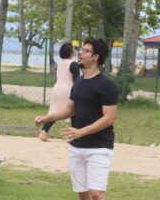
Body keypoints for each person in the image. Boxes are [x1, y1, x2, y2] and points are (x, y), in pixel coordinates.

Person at [35, 39, 118, 200]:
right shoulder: (78, 83)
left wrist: (81, 132)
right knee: (83, 195)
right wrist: (46, 118)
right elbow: (69, 110)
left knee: (96, 194)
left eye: (86, 51)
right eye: (81, 50)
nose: (80, 53)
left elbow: (110, 118)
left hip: (99, 147)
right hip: (76, 147)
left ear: (96, 57)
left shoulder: (107, 85)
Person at [39, 42, 80, 141]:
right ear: (70, 52)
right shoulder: (73, 64)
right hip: (68, 89)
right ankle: (74, 135)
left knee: (55, 112)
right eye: (72, 49)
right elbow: (77, 80)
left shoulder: (60, 63)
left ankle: (44, 132)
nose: (74, 51)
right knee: (74, 111)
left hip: (57, 88)